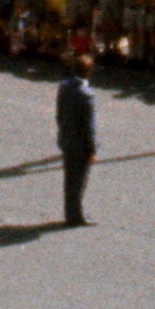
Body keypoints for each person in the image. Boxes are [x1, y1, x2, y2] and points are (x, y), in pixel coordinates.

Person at [57, 61, 101, 227]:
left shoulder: (63, 87)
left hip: (66, 139)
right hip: (80, 145)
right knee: (79, 181)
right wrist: (92, 149)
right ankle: (75, 216)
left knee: (69, 180)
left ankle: (70, 213)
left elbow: (59, 114)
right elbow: (89, 127)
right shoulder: (87, 95)